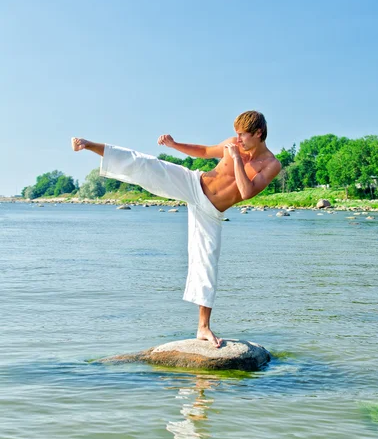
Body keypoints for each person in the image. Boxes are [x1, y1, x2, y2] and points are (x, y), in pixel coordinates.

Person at [71, 110, 281, 347]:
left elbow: (246, 192)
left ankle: (203, 328)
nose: (238, 139)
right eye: (237, 134)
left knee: (207, 263)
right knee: (147, 164)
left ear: (259, 133)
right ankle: (90, 145)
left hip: (211, 211)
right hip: (194, 183)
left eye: (243, 135)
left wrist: (235, 160)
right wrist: (174, 144)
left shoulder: (271, 164)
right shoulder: (232, 144)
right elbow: (203, 152)